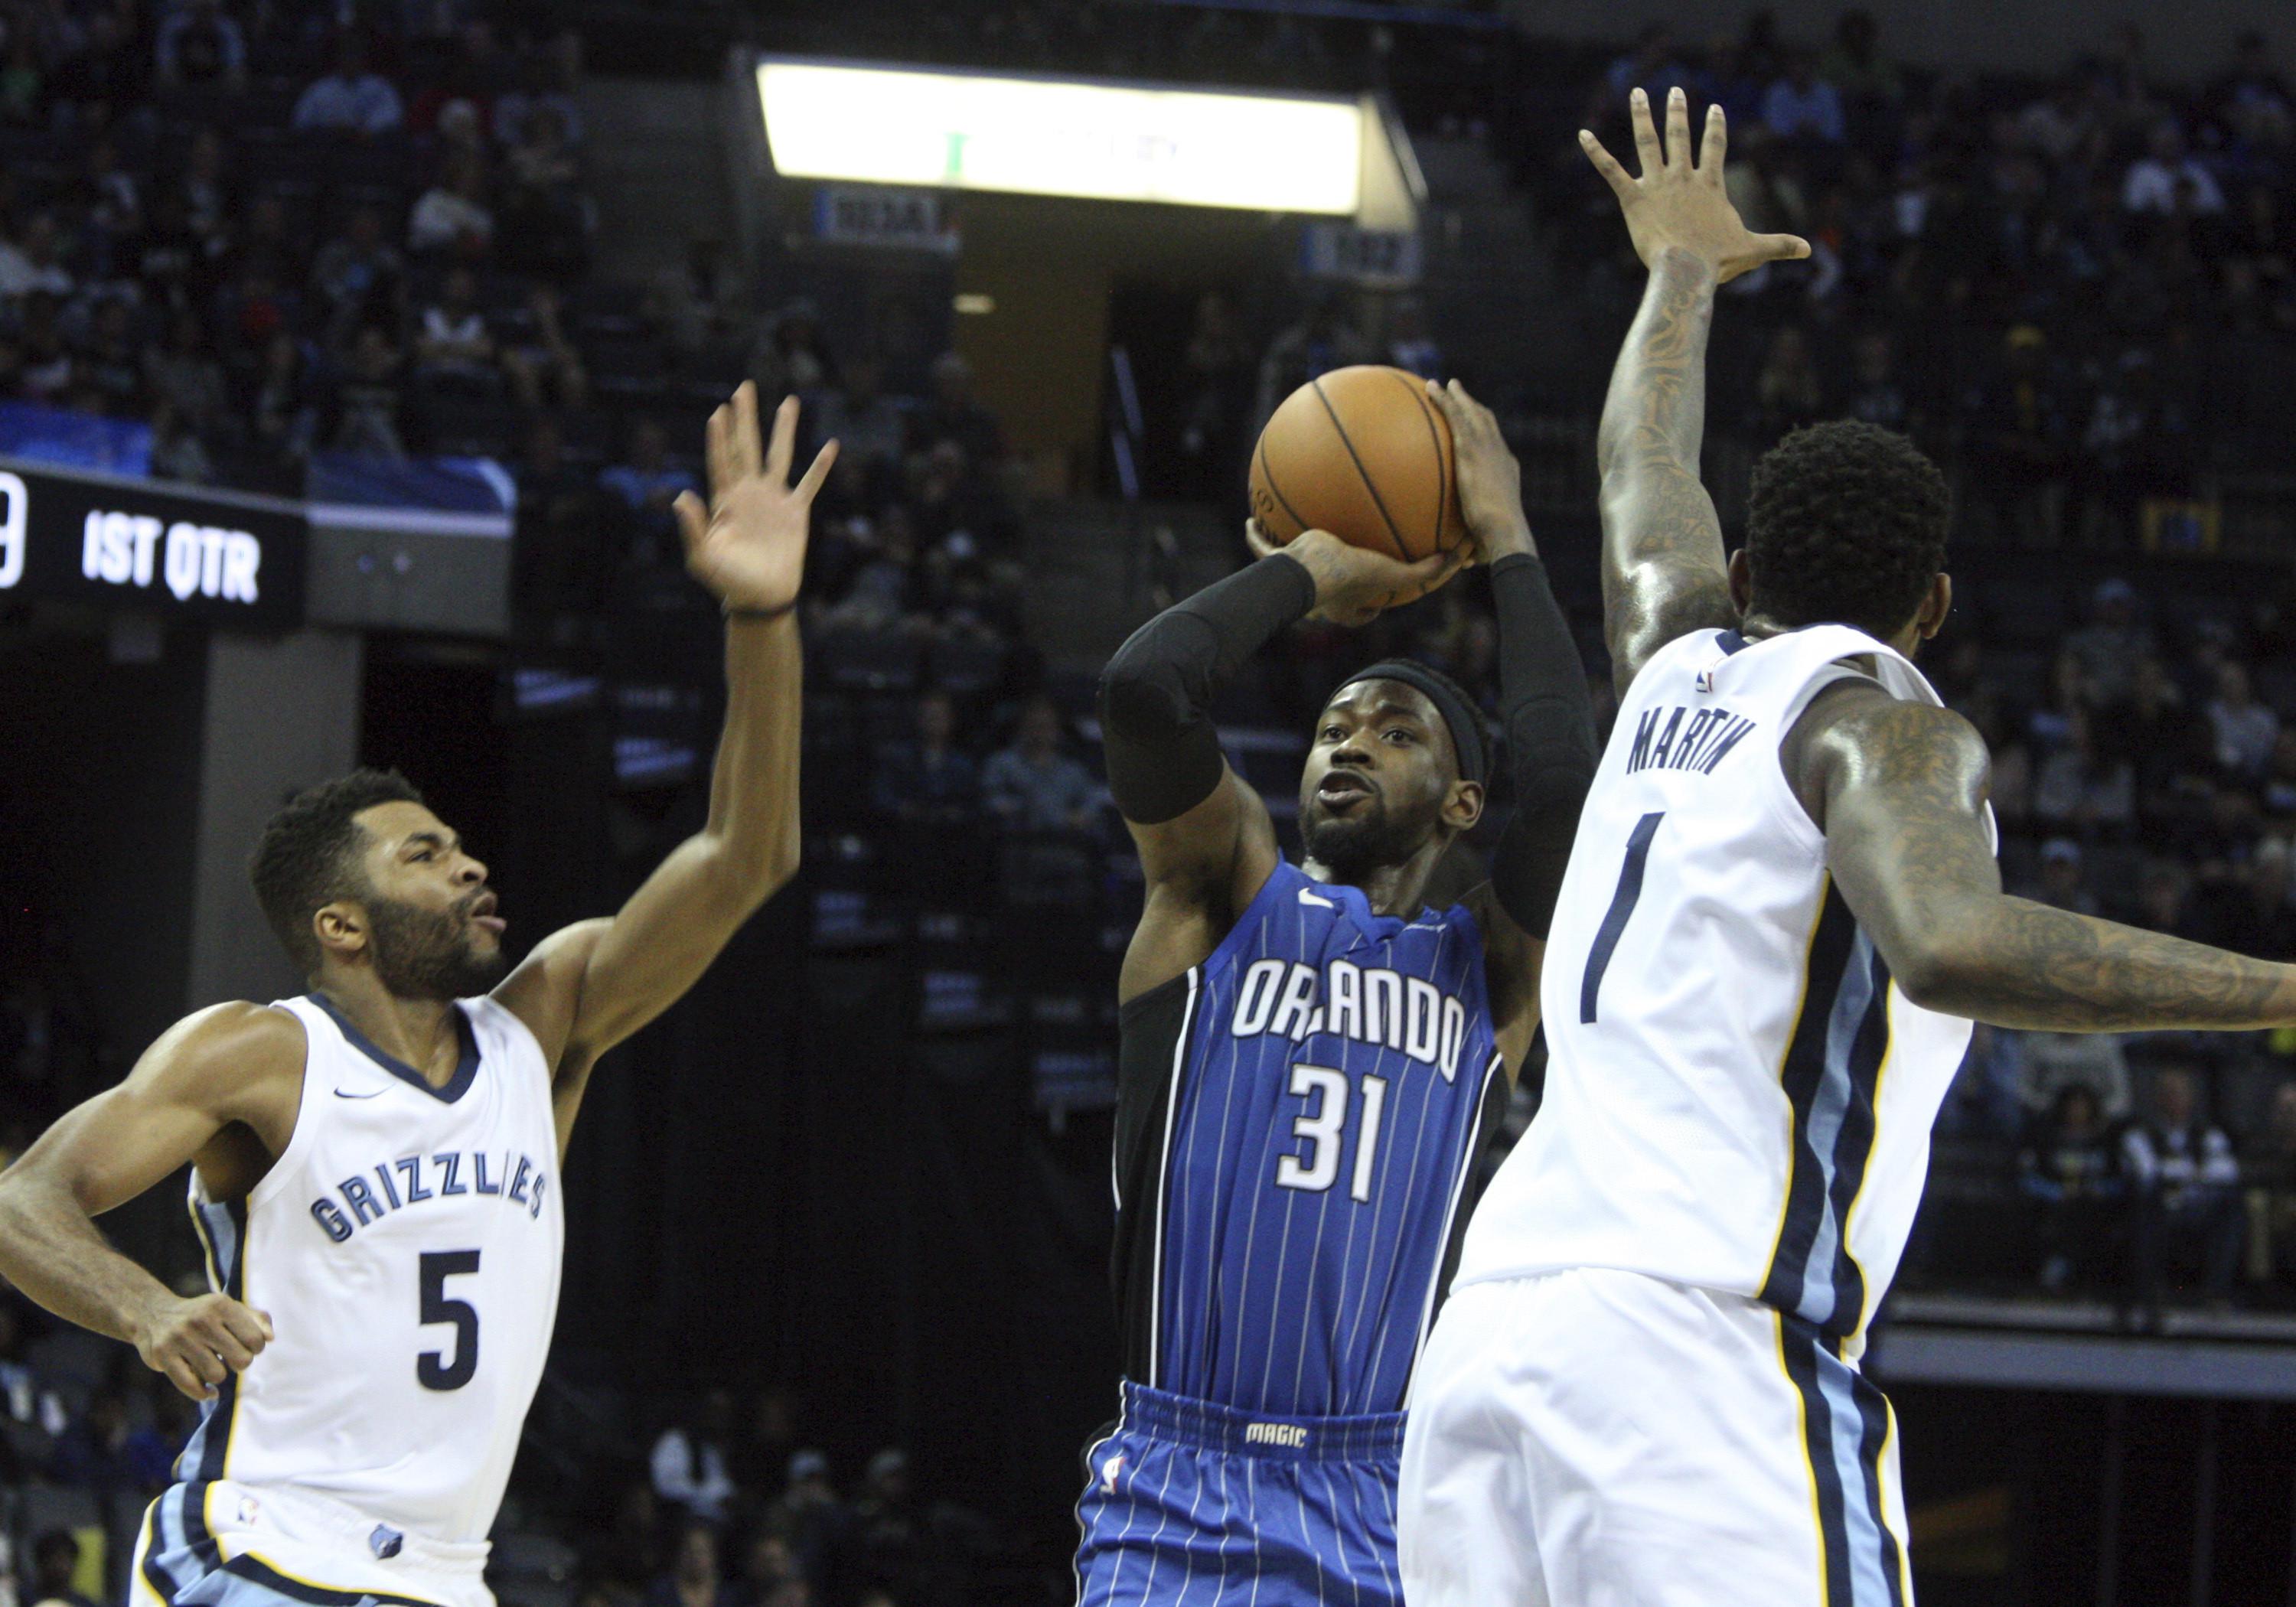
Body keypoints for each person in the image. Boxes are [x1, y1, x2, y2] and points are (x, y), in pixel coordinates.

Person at [1399, 88, 2296, 1607]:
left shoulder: (1671, 667)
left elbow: (1640, 470)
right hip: (1700, 1356)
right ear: (1932, 608)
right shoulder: (1883, 726)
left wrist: (1682, 274)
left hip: (1487, 1340)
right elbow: (1951, 944)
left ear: (1747, 570)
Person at [0, 383, 835, 1607]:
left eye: (461, 846)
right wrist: (144, 1308)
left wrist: (761, 618)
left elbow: (746, 856)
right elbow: (23, 1199)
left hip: (445, 1576)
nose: (470, 865)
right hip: (263, 1549)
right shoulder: (261, 1057)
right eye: (425, 856)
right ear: (341, 925)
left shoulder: (547, 1022)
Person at [1074, 374, 1596, 1605]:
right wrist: (1307, 572)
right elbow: (1144, 690)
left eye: (1397, 731)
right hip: (1177, 1484)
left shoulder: (1487, 972)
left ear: (1464, 801)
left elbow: (1569, 788)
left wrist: (1507, 533)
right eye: (1333, 729)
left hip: (1385, 1493)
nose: (1352, 740)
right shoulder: (1219, 897)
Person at [2124, 1063, 2243, 1304]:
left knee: (2231, 1207)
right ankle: (2151, 1293)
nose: (2174, 1101)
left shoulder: (2207, 1134)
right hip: (2161, 1208)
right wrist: (2195, 1172)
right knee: (2148, 1205)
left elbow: (2228, 1172)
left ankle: (2216, 1293)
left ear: (2191, 1099)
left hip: (2199, 1208)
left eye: (2179, 1094)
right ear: (2157, 1099)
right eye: (2168, 1094)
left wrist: (2178, 1172)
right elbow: (2147, 1173)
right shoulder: (2141, 1134)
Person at [981, 697, 1098, 833]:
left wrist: (1081, 815)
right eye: (1034, 726)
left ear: (1057, 730)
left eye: (1047, 726)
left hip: (1062, 838)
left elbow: (1090, 802)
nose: (1040, 733)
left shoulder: (1072, 770)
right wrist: (1010, 808)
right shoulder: (1002, 763)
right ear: (1022, 727)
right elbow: (990, 797)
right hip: (1016, 837)